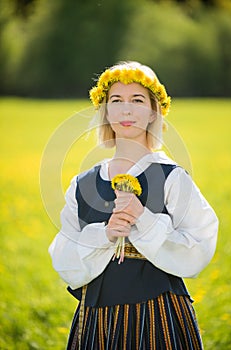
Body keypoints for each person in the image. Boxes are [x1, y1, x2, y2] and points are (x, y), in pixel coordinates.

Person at [49, 61, 218, 349]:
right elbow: (63, 254)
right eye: (116, 100)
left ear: (154, 111)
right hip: (96, 319)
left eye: (137, 100)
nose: (126, 110)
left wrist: (145, 218)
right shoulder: (83, 184)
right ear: (105, 111)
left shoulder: (171, 177)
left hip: (158, 316)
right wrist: (105, 234)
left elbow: (200, 244)